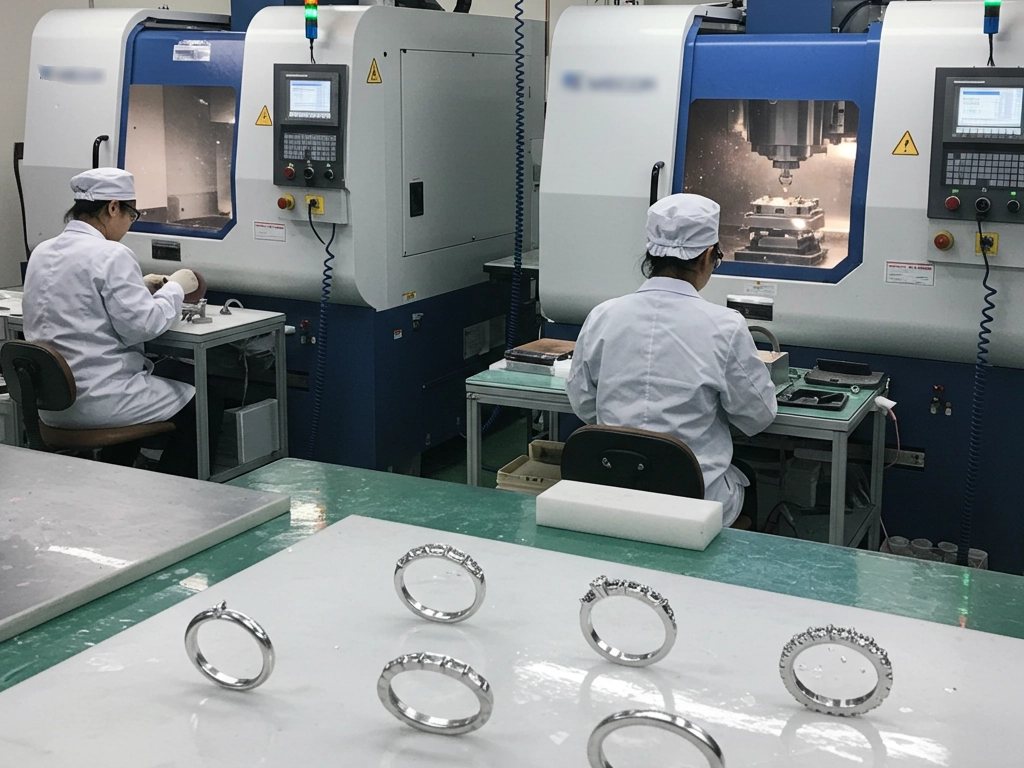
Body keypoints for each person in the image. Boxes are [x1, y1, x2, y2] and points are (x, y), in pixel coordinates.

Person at [566, 193, 777, 528]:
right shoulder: (725, 325)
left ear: (651, 252)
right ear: (709, 254)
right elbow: (758, 417)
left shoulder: (603, 316)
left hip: (613, 491)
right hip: (693, 504)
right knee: (746, 479)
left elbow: (583, 404)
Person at [22, 167, 215, 476]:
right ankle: (182, 495)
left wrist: (139, 285)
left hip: (51, 405)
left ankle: (119, 481)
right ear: (113, 207)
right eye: (131, 215)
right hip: (97, 402)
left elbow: (83, 301)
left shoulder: (43, 251)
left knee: (160, 378)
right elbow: (145, 325)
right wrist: (177, 286)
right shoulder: (112, 254)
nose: (129, 224)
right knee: (204, 400)